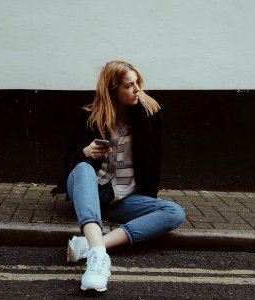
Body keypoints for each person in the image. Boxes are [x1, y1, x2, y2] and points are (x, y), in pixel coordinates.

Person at [52, 60, 186, 292]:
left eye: (137, 84)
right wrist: (84, 152)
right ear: (113, 89)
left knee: (174, 212)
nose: (137, 90)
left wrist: (149, 197)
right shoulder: (89, 116)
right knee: (83, 168)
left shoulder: (150, 115)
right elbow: (67, 161)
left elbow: (155, 160)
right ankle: (98, 262)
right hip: (91, 190)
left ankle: (92, 246)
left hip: (123, 197)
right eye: (129, 86)